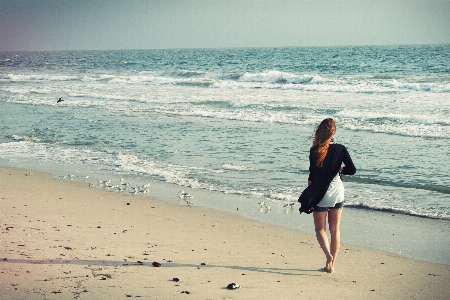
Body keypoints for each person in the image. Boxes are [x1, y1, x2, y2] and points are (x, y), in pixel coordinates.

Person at [298, 118, 356, 273]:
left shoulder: (314, 150)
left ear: (319, 132)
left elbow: (312, 177)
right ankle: (331, 264)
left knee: (320, 230)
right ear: (333, 132)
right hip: (338, 193)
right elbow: (352, 170)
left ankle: (328, 255)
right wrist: (340, 168)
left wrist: (310, 197)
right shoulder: (341, 149)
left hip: (321, 195)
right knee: (335, 230)